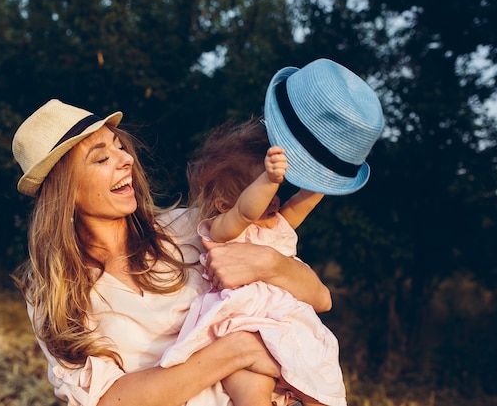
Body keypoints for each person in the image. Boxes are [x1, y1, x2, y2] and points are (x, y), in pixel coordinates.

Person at [11, 98, 333, 406]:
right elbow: (108, 401)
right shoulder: (53, 293)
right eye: (102, 158)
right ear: (65, 191)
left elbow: (320, 298)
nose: (127, 160)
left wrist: (268, 263)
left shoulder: (189, 226)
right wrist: (238, 349)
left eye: (120, 147)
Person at [159, 58, 385, 406]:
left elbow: (304, 202)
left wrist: (322, 176)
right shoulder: (226, 228)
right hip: (240, 324)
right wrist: (268, 179)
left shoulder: (275, 225)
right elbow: (247, 209)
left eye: (276, 190)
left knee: (320, 379)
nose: (274, 198)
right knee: (252, 390)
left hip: (287, 325)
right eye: (263, 189)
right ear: (224, 203)